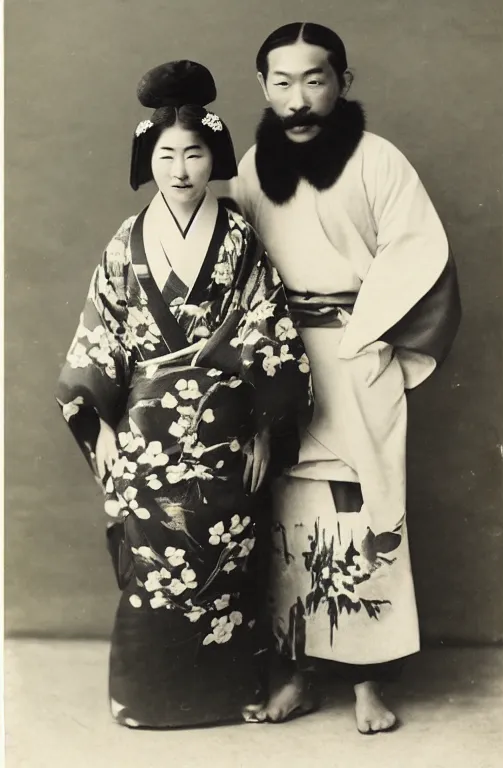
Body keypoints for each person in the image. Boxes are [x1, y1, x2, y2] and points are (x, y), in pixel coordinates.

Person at [56, 60, 311, 729]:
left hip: (226, 428)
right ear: (149, 157)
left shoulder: (238, 239)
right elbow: (99, 332)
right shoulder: (125, 243)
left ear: (213, 156)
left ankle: (231, 693)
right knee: (153, 563)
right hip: (145, 433)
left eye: (194, 153)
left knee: (230, 558)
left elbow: (269, 330)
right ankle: (151, 698)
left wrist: (264, 426)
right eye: (166, 155)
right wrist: (100, 424)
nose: (180, 170)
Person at [229, 22, 461, 733]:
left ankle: (367, 680)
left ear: (343, 82)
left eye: (316, 79)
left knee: (360, 513)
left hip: (358, 353)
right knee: (289, 514)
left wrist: (368, 338)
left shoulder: (378, 161)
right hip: (280, 357)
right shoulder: (249, 166)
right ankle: (299, 671)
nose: (299, 98)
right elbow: (233, 266)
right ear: (264, 86)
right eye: (283, 81)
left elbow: (417, 252)